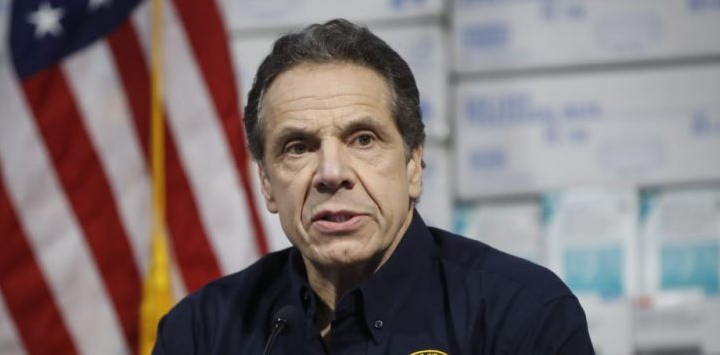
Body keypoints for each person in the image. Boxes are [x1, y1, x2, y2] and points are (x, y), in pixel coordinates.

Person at [153, 19, 595, 354]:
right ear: (267, 184)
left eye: (363, 140)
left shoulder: (521, 314)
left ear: (413, 165)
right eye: (298, 147)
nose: (331, 173)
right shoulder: (199, 332)